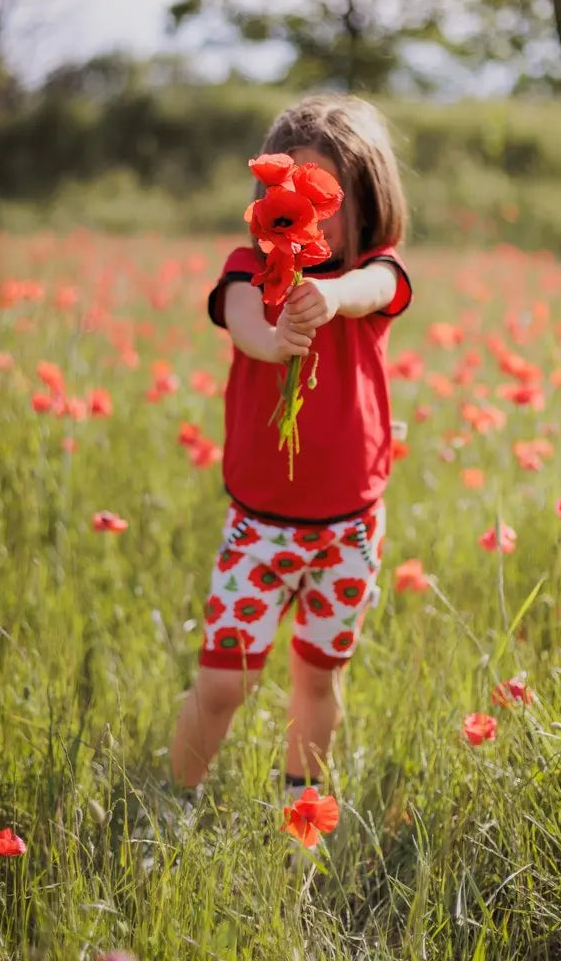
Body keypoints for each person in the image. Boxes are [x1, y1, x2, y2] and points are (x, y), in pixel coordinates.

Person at [170, 93, 412, 801]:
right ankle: (173, 805)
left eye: (328, 197)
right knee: (223, 680)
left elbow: (374, 288)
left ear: (368, 202)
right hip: (260, 524)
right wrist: (273, 341)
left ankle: (297, 807)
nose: (309, 217)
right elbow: (240, 314)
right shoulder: (250, 266)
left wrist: (332, 298)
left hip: (348, 529)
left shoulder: (379, 273)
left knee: (317, 677)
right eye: (291, 196)